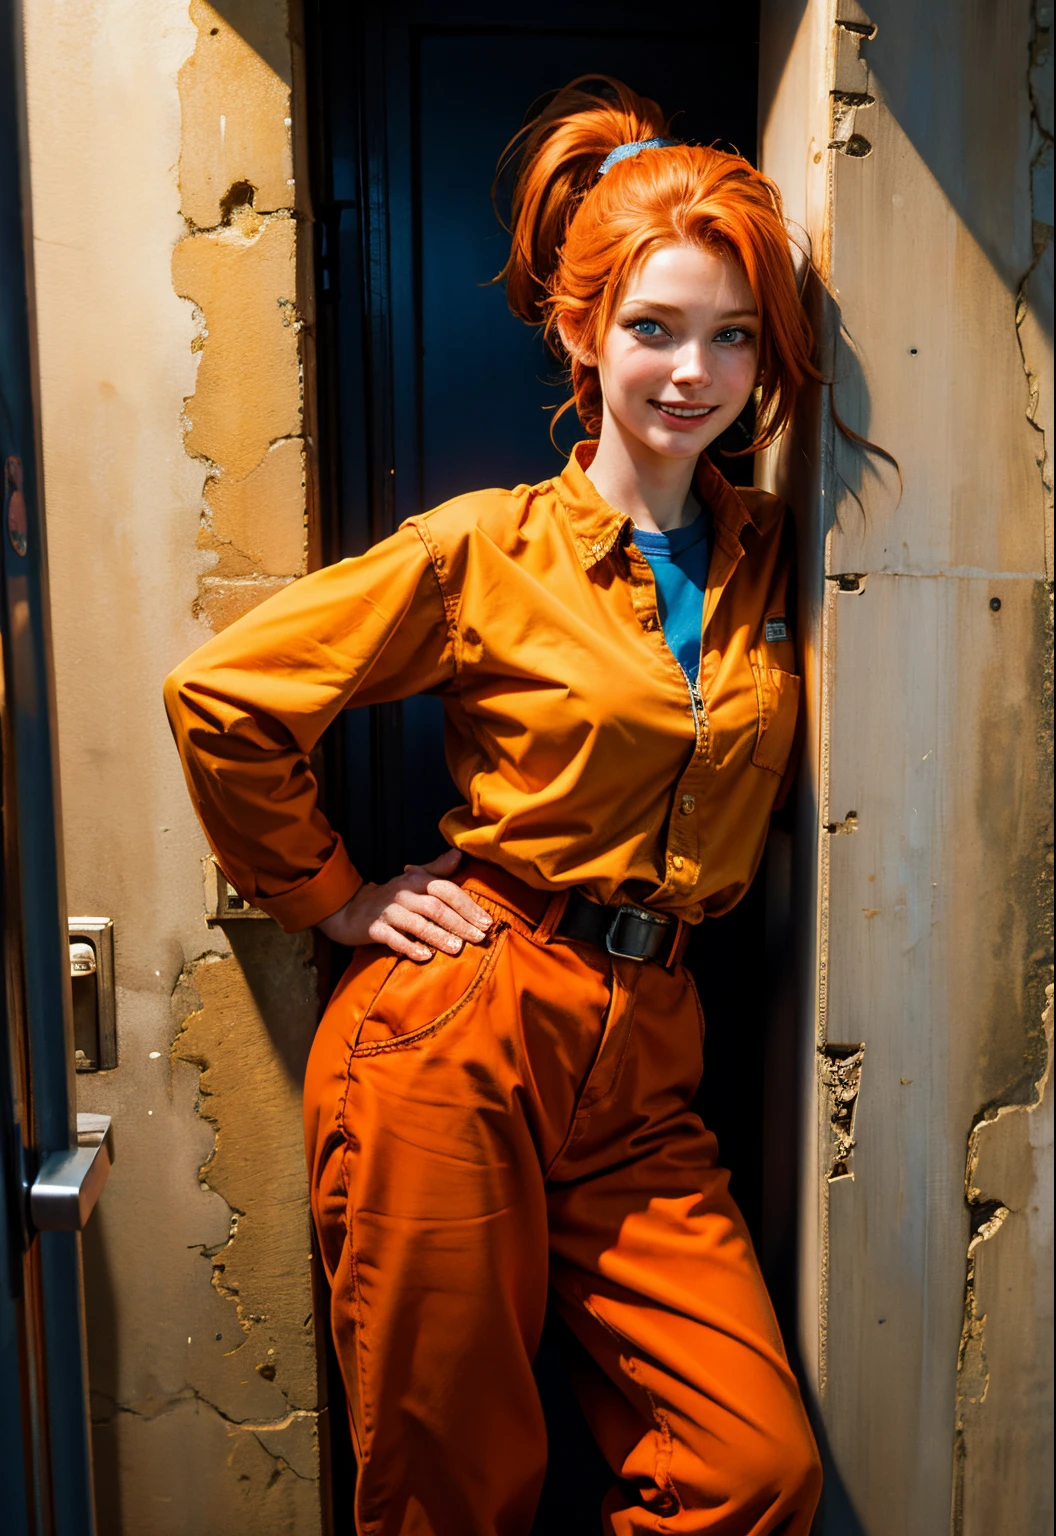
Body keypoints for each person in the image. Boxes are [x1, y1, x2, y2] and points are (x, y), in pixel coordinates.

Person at [166, 76, 823, 1536]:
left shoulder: (780, 552)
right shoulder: (487, 550)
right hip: (461, 1031)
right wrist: (332, 895)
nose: (692, 373)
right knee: (453, 1493)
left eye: (731, 336)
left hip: (647, 1062)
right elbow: (224, 696)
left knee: (754, 1470)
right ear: (581, 331)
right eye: (653, 329)